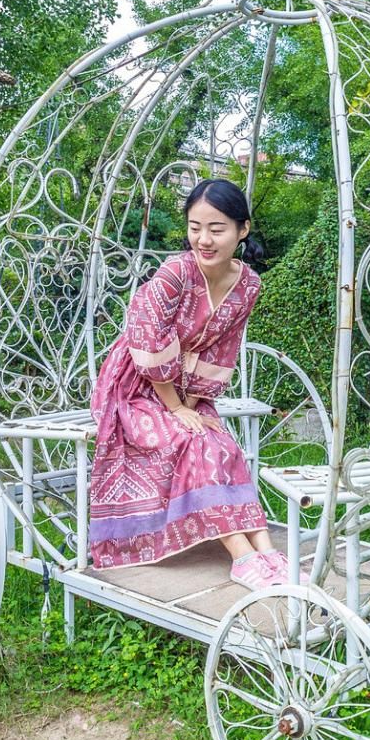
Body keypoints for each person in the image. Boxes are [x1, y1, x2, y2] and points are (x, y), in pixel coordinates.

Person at [88, 178, 306, 591]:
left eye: (216, 229)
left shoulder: (249, 285)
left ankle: (265, 551)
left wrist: (195, 404)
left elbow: (224, 348)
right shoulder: (176, 272)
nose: (203, 239)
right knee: (194, 441)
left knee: (222, 442)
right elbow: (147, 341)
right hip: (135, 384)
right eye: (194, 227)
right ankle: (242, 559)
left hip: (188, 388)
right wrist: (176, 408)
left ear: (242, 230)